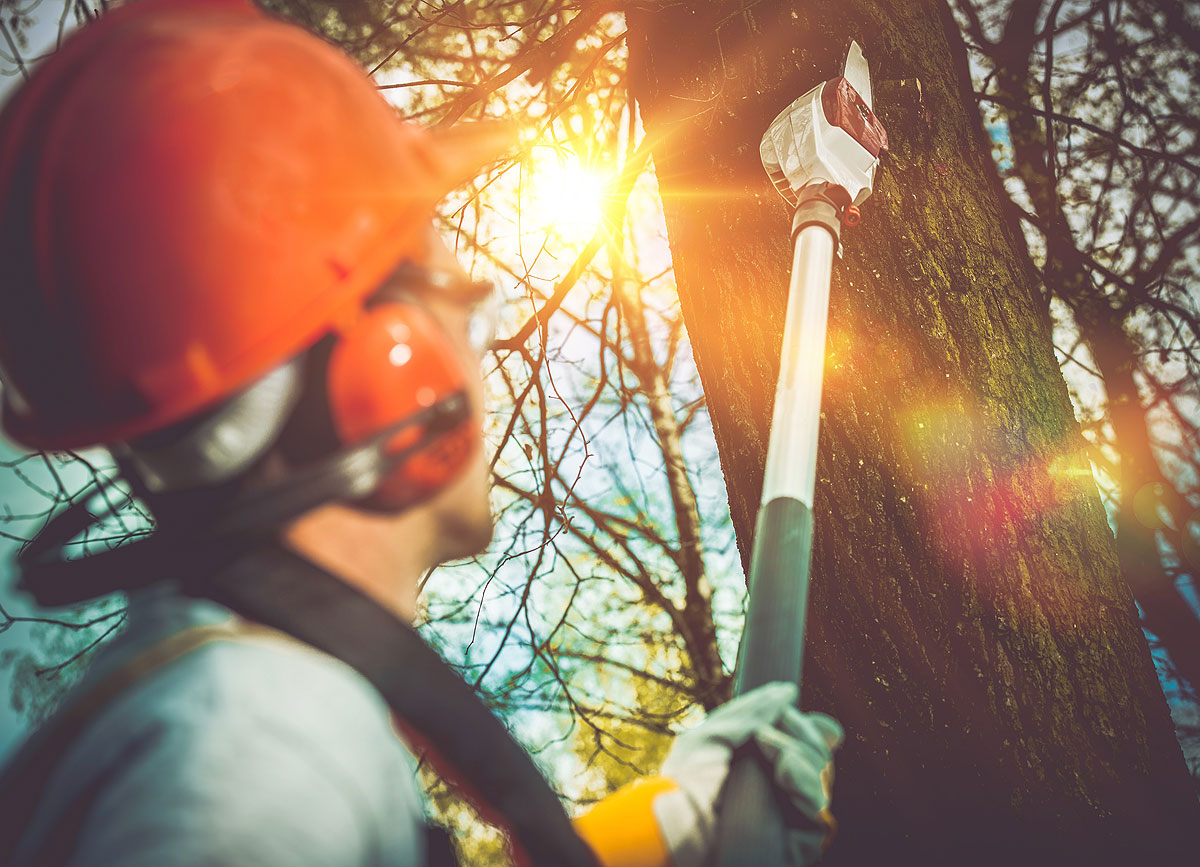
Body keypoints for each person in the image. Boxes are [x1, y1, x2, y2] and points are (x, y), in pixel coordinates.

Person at [0, 1, 843, 865]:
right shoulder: (263, 754)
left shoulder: (215, 712)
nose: (480, 359)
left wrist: (667, 826)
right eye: (468, 311)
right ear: (393, 374)